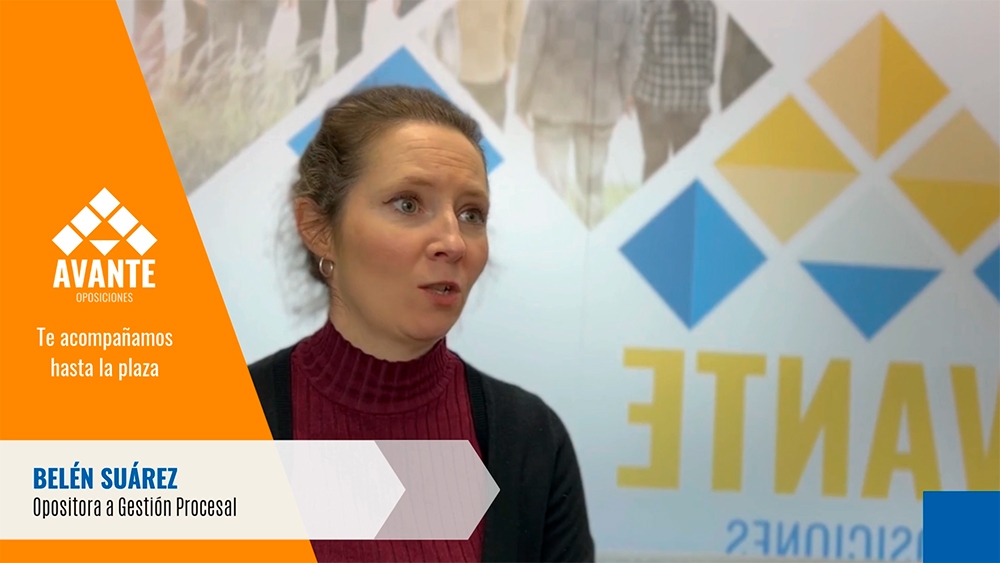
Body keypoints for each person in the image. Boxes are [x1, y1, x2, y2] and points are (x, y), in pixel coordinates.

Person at [249, 85, 595, 562]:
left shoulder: (530, 440)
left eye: (471, 214)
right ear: (318, 228)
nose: (453, 242)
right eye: (408, 204)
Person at [515, 0, 642, 229]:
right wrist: (622, 95)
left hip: (552, 99)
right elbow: (631, 56)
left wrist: (522, 100)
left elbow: (530, 47)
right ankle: (592, 237)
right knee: (592, 187)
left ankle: (552, 239)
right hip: (601, 102)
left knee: (551, 187)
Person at [634, 0, 718, 182]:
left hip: (655, 97)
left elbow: (639, 50)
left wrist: (630, 88)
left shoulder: (651, 5)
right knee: (686, 167)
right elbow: (709, 55)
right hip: (692, 101)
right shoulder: (707, 7)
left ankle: (655, 199)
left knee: (655, 164)